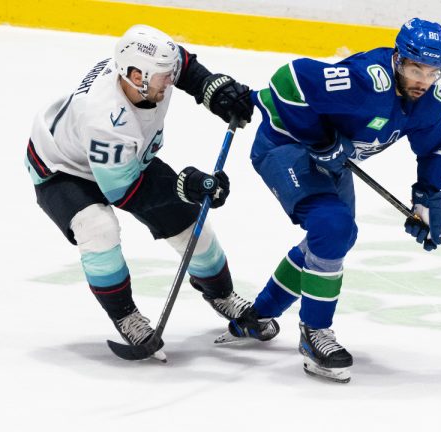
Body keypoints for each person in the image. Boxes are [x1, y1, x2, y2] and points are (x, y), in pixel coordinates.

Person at [218, 18, 441, 382]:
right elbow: (289, 81)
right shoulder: (366, 80)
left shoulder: (431, 99)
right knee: (332, 226)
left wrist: (428, 195)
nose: (423, 81)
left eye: (434, 72)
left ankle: (258, 317)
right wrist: (319, 140)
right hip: (287, 144)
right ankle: (315, 333)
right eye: (415, 69)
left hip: (332, 158)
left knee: (336, 237)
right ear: (397, 60)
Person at [24, 24, 269, 361]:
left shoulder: (143, 72)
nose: (170, 81)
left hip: (123, 158)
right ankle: (125, 315)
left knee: (190, 228)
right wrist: (189, 185)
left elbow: (182, 65)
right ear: (136, 75)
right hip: (62, 170)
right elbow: (125, 192)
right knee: (98, 228)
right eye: (163, 77)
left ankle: (221, 294)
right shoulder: (106, 120)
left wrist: (214, 89)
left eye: (168, 75)